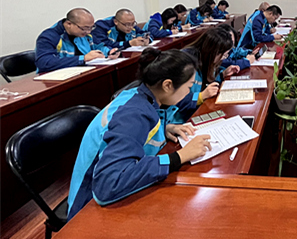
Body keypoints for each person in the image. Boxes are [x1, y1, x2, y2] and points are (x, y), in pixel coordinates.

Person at [67, 48, 212, 220]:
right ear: (167, 85)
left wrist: (163, 130)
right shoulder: (133, 114)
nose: (190, 92)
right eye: (189, 86)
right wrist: (179, 157)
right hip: (89, 209)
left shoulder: (141, 95)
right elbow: (108, 185)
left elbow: (131, 134)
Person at [35, 8, 119, 72]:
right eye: (84, 28)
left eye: (91, 27)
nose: (88, 32)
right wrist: (83, 58)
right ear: (69, 24)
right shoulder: (49, 36)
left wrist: (109, 52)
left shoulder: (86, 34)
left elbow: (99, 46)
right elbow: (44, 62)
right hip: (54, 80)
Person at [178, 28, 239, 114]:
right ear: (214, 52)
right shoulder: (186, 64)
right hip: (181, 118)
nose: (224, 58)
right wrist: (201, 96)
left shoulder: (206, 59)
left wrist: (222, 75)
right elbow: (175, 101)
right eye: (224, 55)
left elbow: (208, 80)